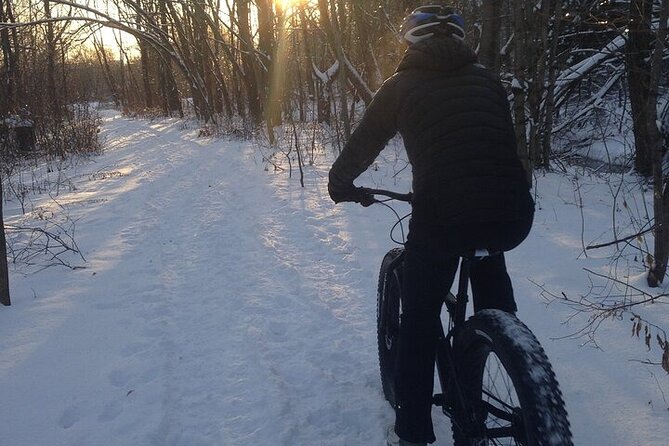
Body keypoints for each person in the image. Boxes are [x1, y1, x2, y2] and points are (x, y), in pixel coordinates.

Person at [327, 4, 535, 446]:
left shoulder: (400, 86)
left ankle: (413, 434)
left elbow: (365, 142)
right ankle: (506, 343)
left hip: (442, 219)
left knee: (419, 325)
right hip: (512, 214)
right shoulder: (488, 81)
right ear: (462, 41)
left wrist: (340, 183)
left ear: (410, 43)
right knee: (488, 269)